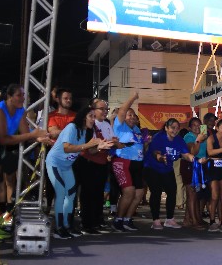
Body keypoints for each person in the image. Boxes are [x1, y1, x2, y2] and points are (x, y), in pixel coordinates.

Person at [0, 84, 48, 243]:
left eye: (24, 95)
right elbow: (4, 138)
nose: (23, 98)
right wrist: (32, 135)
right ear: (9, 97)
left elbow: (25, 134)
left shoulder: (20, 111)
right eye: (19, 95)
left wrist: (40, 137)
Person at [46, 107, 112, 239]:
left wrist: (99, 148)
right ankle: (58, 228)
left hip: (67, 166)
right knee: (61, 193)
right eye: (91, 116)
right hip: (55, 163)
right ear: (83, 117)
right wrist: (87, 145)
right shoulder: (71, 128)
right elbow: (67, 148)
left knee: (71, 194)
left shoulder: (85, 131)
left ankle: (67, 226)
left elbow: (89, 151)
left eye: (94, 117)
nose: (93, 119)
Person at [145, 118, 195, 230]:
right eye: (172, 128)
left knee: (172, 191)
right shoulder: (159, 137)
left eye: (177, 128)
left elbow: (185, 154)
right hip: (152, 167)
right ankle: (156, 220)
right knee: (156, 192)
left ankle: (169, 219)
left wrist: (196, 160)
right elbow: (155, 152)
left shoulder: (179, 140)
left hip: (167, 168)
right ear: (166, 128)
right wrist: (160, 157)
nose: (175, 130)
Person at [76, 99, 117, 234]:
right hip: (89, 163)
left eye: (106, 109)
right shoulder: (89, 125)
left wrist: (113, 144)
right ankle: (87, 223)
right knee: (88, 194)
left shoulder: (106, 124)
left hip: (102, 163)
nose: (105, 112)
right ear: (92, 109)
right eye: (102, 109)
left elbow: (111, 141)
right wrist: (101, 146)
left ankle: (97, 221)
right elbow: (90, 148)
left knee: (99, 194)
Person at [111, 92, 145, 232]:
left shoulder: (136, 129)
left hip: (137, 164)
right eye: (129, 115)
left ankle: (127, 220)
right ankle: (118, 220)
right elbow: (122, 110)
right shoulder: (119, 126)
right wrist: (133, 97)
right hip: (123, 162)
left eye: (133, 115)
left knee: (139, 193)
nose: (132, 117)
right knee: (129, 191)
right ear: (123, 117)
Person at [182, 117, 209, 227]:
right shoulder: (189, 136)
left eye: (199, 125)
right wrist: (198, 140)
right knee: (192, 193)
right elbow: (193, 151)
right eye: (194, 125)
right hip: (190, 165)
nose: (197, 127)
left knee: (197, 194)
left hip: (202, 165)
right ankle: (194, 220)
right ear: (189, 128)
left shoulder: (204, 136)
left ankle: (188, 219)